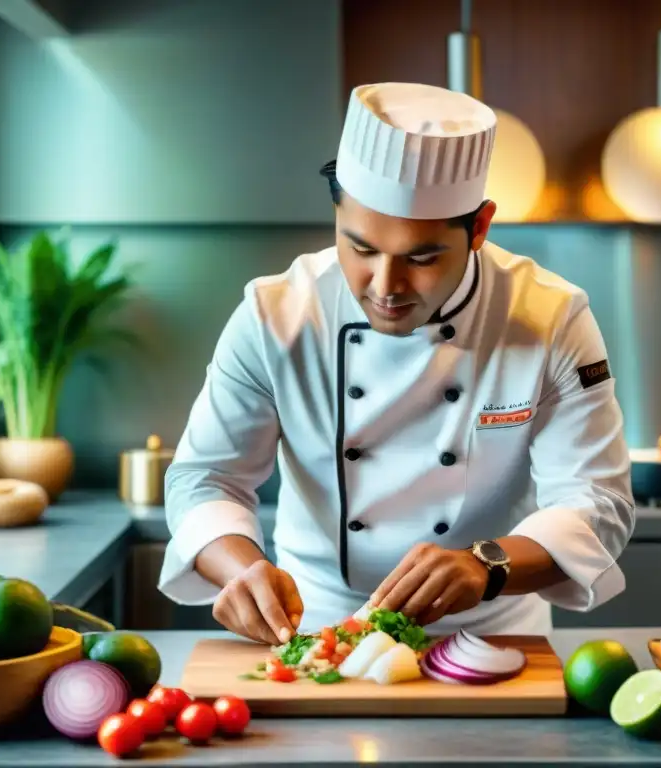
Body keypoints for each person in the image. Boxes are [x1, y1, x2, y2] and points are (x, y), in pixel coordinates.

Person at [158, 82, 634, 645]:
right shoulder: (276, 315)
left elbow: (598, 504)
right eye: (359, 249)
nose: (385, 286)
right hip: (311, 628)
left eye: (422, 257)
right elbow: (204, 477)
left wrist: (488, 565)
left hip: (491, 639)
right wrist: (240, 572)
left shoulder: (549, 318)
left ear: (479, 228)